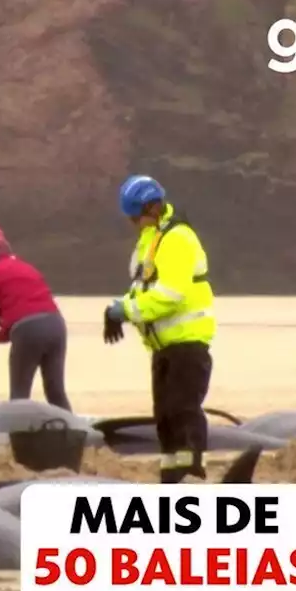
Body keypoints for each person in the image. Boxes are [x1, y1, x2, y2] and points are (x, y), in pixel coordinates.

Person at [105, 174, 217, 484]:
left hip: (187, 344)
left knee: (183, 413)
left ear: (152, 208)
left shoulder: (178, 239)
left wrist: (126, 311)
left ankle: (191, 476)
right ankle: (171, 479)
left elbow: (171, 294)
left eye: (135, 216)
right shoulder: (150, 240)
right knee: (165, 419)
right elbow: (142, 287)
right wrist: (117, 309)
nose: (132, 223)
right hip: (162, 347)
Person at [0, 226, 72, 411]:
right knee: (56, 391)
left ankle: (17, 437)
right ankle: (73, 434)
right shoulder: (26, 268)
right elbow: (25, 311)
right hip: (56, 325)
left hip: (27, 331)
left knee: (19, 395)